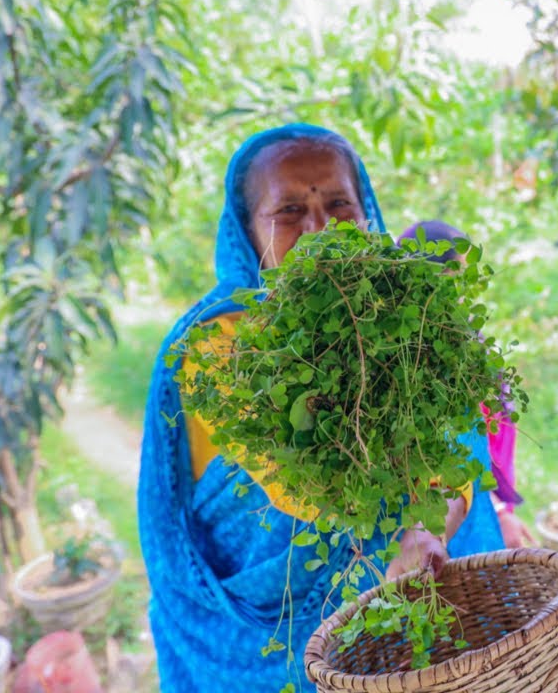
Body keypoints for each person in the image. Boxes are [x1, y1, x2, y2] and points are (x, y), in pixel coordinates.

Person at [139, 124, 503, 692]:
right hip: (255, 643)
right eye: (288, 210)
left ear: (367, 215)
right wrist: (403, 523)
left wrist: (430, 529)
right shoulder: (215, 344)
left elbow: (452, 451)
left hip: (403, 603)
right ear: (246, 230)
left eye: (339, 203)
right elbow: (304, 488)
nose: (319, 227)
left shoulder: (403, 318)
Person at [396, 219, 536, 550]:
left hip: (485, 498)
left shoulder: (468, 343)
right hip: (457, 515)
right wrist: (501, 512)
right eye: (460, 281)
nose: (468, 295)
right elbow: (454, 455)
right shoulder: (422, 366)